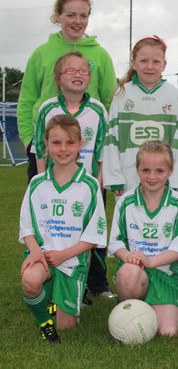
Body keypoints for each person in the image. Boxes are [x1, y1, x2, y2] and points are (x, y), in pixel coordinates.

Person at [31, 51, 112, 301]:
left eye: (83, 71)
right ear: (58, 78)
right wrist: (44, 180)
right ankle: (52, 278)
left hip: (86, 187)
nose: (78, 75)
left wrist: (98, 184)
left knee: (91, 237)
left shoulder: (98, 109)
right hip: (55, 185)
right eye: (71, 70)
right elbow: (40, 147)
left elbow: (102, 149)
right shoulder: (48, 108)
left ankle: (96, 284)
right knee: (58, 233)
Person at [20, 114, 107, 343]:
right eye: (56, 142)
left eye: (70, 142)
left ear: (80, 145)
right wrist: (36, 251)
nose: (63, 149)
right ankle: (44, 323)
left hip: (72, 261)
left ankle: (54, 303)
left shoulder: (90, 186)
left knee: (67, 327)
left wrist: (62, 255)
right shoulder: (37, 184)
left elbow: (93, 236)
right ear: (46, 145)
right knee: (30, 279)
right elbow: (27, 227)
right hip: (42, 256)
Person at [17, 0, 116, 183]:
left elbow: (111, 101)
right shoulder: (41, 53)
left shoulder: (101, 55)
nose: (77, 21)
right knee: (44, 206)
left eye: (83, 15)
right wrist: (29, 138)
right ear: (58, 16)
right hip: (47, 147)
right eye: (70, 15)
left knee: (89, 205)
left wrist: (107, 141)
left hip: (89, 148)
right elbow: (27, 99)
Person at [108, 140, 178, 336]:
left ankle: (164, 301)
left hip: (165, 274)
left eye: (159, 171)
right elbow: (115, 242)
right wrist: (130, 257)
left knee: (167, 332)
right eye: (146, 170)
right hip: (135, 272)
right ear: (137, 170)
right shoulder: (126, 202)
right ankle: (131, 308)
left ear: (170, 170)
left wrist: (149, 260)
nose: (152, 177)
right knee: (128, 274)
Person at [103, 36, 178, 197]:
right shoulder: (122, 93)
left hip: (163, 178)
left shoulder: (172, 94)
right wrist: (114, 177)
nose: (150, 67)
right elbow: (112, 138)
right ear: (133, 63)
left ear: (164, 65)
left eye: (156, 62)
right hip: (128, 177)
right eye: (143, 61)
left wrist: (177, 180)